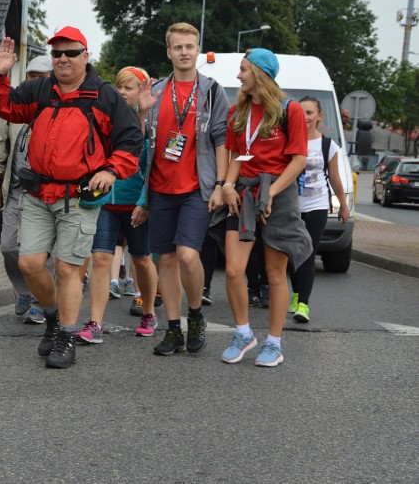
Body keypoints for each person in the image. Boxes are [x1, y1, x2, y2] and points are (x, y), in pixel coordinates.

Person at [0, 27, 143, 369]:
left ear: (86, 56)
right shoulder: (40, 90)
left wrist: (112, 170)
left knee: (67, 268)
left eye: (70, 53)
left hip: (80, 196)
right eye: (57, 53)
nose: (62, 59)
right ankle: (55, 317)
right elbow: (1, 106)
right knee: (28, 263)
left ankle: (66, 337)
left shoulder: (104, 96)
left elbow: (131, 140)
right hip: (38, 193)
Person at [133, 22, 230, 357]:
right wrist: (142, 113)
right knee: (166, 261)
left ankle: (196, 316)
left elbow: (222, 139)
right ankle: (173, 328)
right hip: (160, 188)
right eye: (178, 47)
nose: (185, 52)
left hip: (196, 188)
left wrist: (219, 183)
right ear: (169, 51)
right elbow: (140, 141)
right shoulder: (157, 90)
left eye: (190, 46)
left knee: (189, 255)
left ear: (198, 50)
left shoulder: (212, 91)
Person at [219, 48, 312, 367]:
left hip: (279, 193)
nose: (238, 75)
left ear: (259, 73)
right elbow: (236, 156)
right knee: (233, 270)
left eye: (243, 69)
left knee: (275, 273)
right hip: (244, 194)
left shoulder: (291, 110)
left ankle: (274, 343)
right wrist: (228, 186)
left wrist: (271, 192)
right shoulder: (237, 112)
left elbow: (298, 159)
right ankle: (244, 333)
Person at [76, 67, 159, 344]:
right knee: (101, 258)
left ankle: (148, 311)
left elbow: (150, 168)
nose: (123, 93)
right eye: (120, 87)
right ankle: (95, 323)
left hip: (135, 203)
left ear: (141, 92)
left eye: (130, 88)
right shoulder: (105, 119)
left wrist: (143, 202)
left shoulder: (148, 123)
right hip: (105, 202)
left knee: (142, 260)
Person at [0, 55, 54, 325]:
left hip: (46, 192)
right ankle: (24, 291)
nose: (35, 82)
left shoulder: (56, 105)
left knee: (43, 251)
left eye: (41, 77)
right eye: (31, 77)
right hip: (15, 190)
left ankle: (42, 300)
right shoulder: (16, 103)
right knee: (8, 246)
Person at [289, 96, 350, 323]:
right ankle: (295, 293)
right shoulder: (290, 141)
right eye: (301, 112)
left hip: (317, 205)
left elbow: (334, 178)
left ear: (319, 116)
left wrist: (343, 206)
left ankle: (303, 304)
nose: (305, 117)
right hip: (292, 206)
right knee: (292, 255)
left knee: (308, 253)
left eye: (309, 112)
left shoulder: (327, 145)